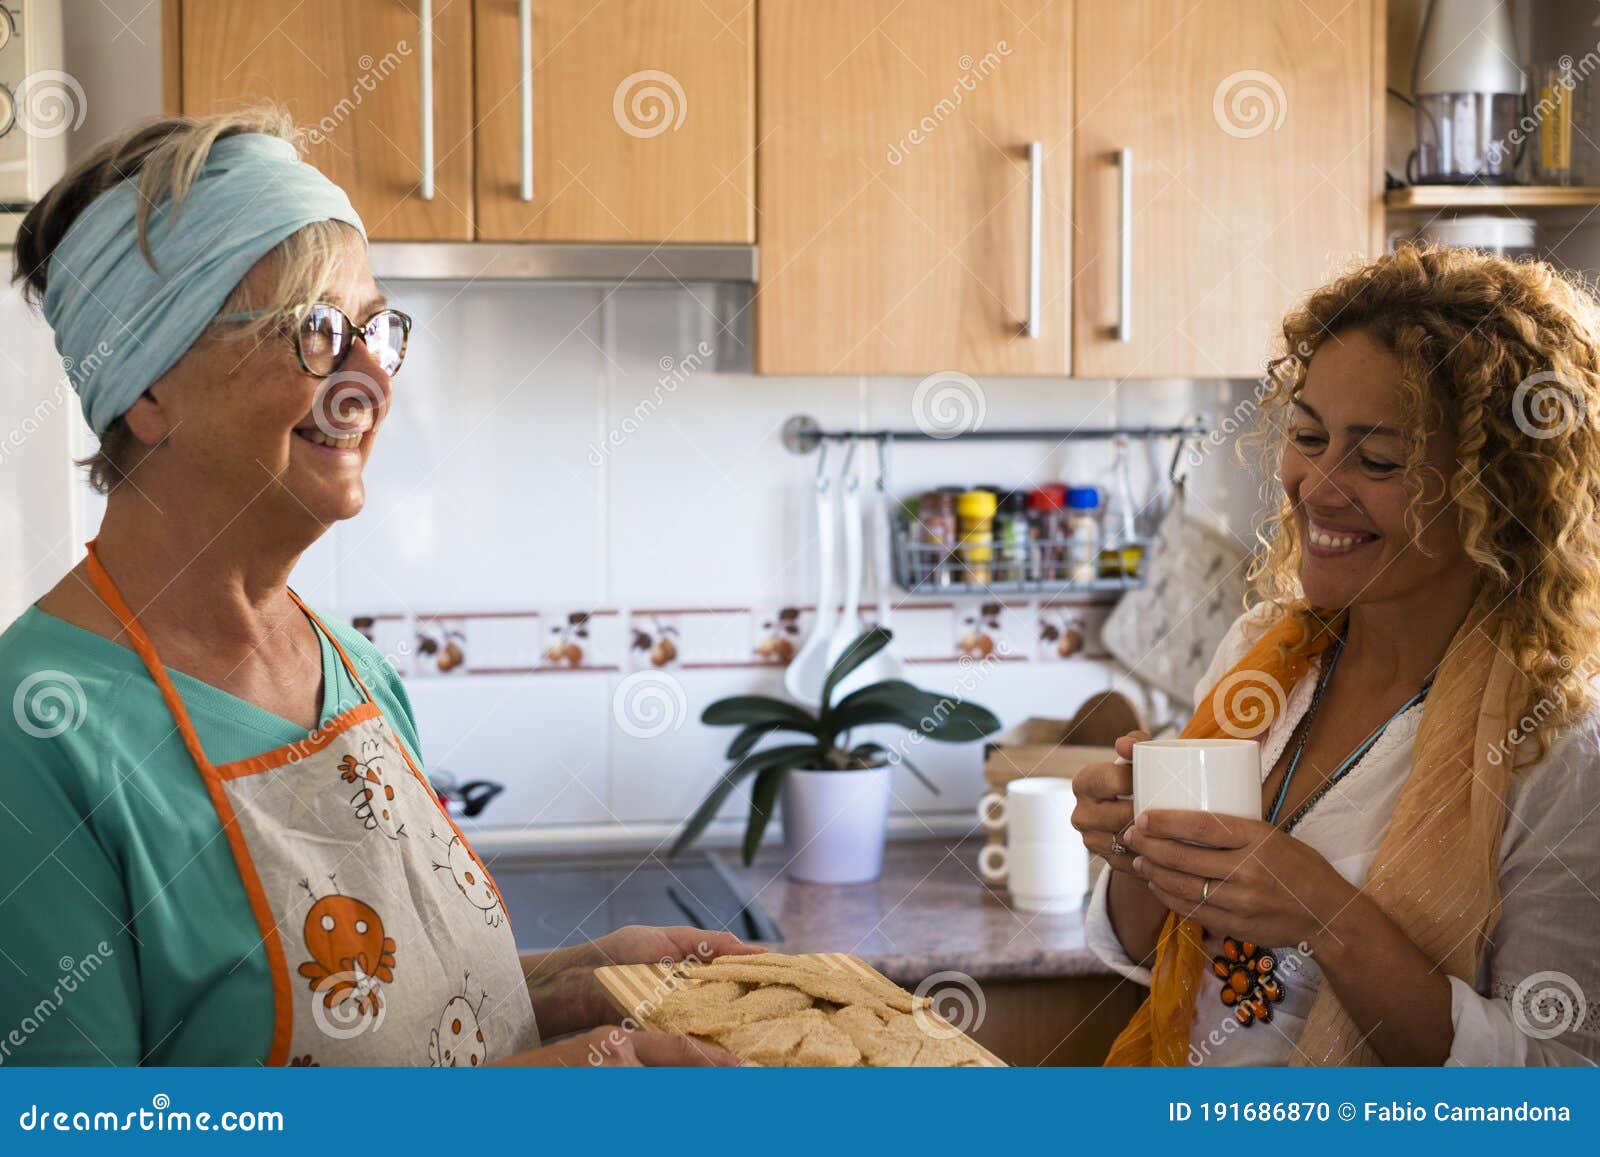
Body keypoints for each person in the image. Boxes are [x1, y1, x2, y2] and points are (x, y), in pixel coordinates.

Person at [0, 109, 758, 1066]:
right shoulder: (35, 733)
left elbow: (378, 1009)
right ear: (148, 389)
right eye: (315, 330)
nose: (370, 381)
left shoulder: (353, 672)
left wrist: (583, 978)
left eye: (375, 329)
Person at [1073, 244, 1600, 1066]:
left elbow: (1560, 1086)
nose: (1316, 486)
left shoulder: (1558, 741)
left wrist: (1323, 913)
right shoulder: (1265, 655)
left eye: (1379, 459)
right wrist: (1139, 847)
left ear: (1498, 491)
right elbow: (1160, 956)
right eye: (1309, 436)